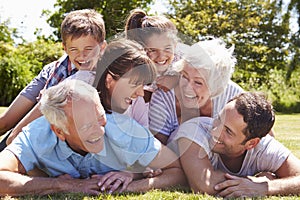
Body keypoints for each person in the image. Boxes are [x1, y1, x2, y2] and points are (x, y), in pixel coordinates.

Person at [0, 79, 187, 197]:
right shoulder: (36, 134)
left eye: (100, 117)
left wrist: (130, 184)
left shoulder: (125, 130)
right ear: (59, 131)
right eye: (87, 125)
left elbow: (176, 170)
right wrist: (63, 185)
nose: (100, 131)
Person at [0, 9, 106, 147]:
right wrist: (14, 135)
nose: (82, 56)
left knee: (17, 137)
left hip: (62, 92)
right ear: (65, 48)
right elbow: (43, 104)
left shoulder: (99, 73)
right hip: (48, 78)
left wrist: (15, 136)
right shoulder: (61, 67)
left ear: (102, 47)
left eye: (89, 49)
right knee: (5, 122)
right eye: (74, 49)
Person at [172, 92, 300, 198]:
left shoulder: (264, 147)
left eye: (228, 131)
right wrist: (256, 181)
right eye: (219, 119)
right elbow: (204, 184)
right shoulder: (193, 130)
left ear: (251, 143)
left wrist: (266, 187)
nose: (215, 131)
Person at [149, 38, 244, 144]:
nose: (187, 88)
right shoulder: (163, 98)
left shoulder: (233, 96)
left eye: (198, 82)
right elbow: (160, 150)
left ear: (216, 85)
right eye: (184, 76)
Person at [123, 8, 180, 128]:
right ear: (141, 50)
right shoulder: (135, 70)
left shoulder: (179, 62)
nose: (161, 56)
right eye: (153, 50)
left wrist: (178, 79)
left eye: (167, 49)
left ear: (175, 46)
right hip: (145, 120)